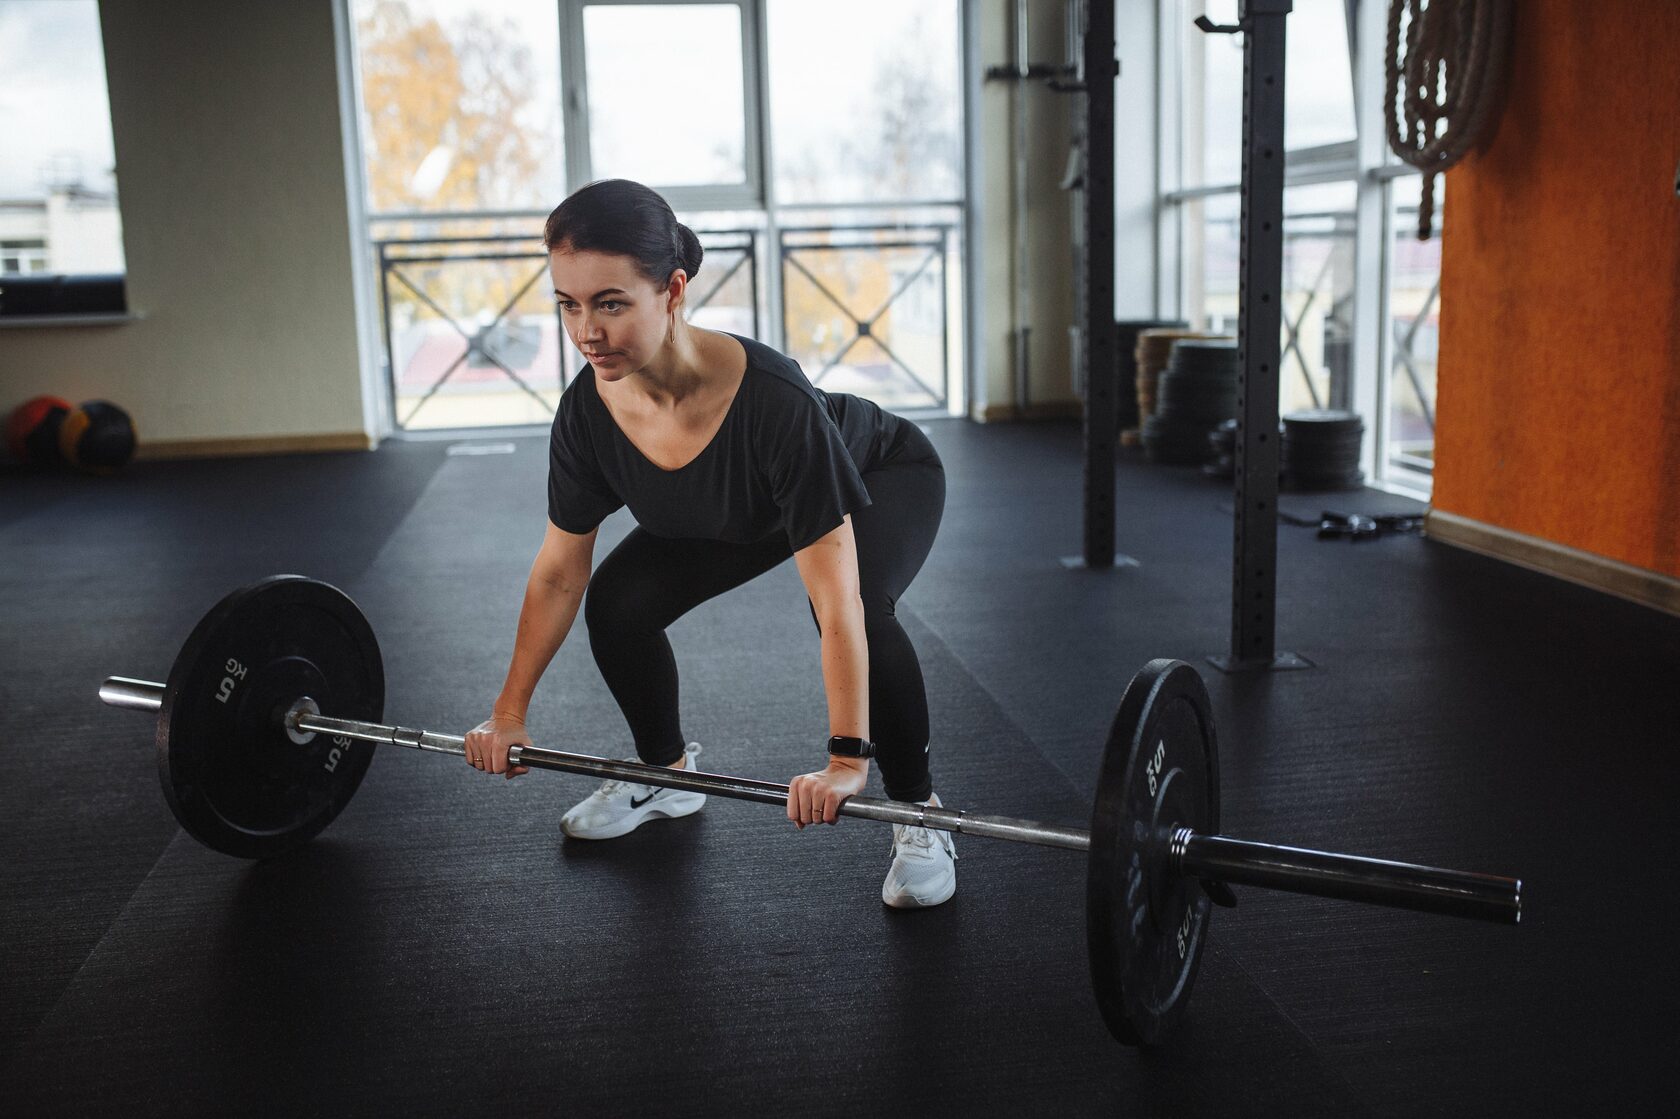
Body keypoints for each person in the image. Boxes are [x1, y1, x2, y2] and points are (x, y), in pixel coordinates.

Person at [464, 179, 954, 908]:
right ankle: (665, 776)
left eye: (610, 302)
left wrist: (844, 758)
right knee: (618, 604)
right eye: (568, 303)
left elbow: (836, 597)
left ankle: (919, 810)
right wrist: (508, 711)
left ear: (673, 290)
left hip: (879, 475)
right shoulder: (587, 412)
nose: (585, 331)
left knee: (861, 609)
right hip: (739, 509)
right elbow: (559, 572)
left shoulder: (774, 402)